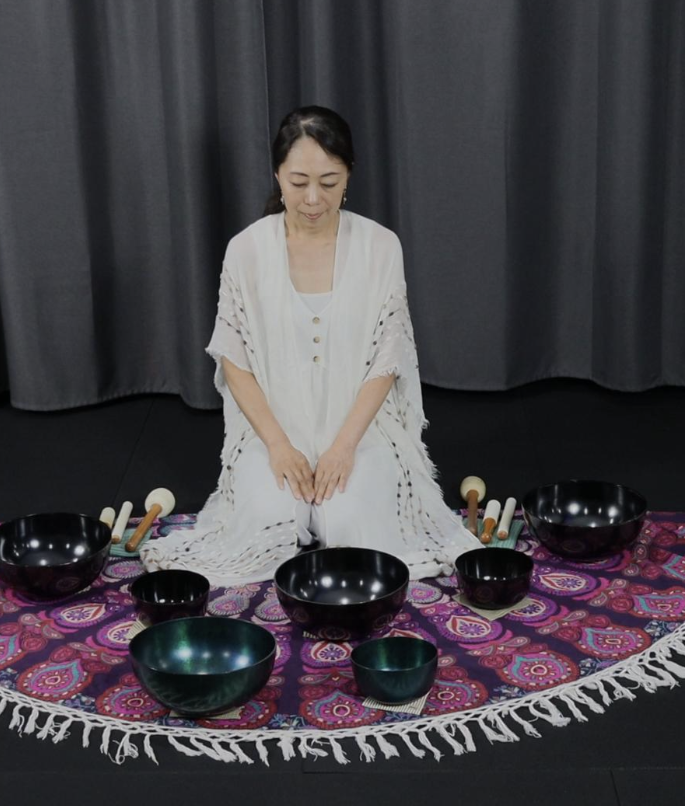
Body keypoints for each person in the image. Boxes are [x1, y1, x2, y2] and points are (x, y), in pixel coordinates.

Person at [141, 106, 476, 585]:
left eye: (329, 181)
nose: (314, 198)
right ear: (277, 174)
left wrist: (343, 448)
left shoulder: (381, 246)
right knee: (268, 519)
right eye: (298, 183)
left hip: (358, 432)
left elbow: (389, 357)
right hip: (275, 432)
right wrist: (278, 445)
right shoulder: (247, 250)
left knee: (350, 523)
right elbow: (233, 360)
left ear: (349, 176)